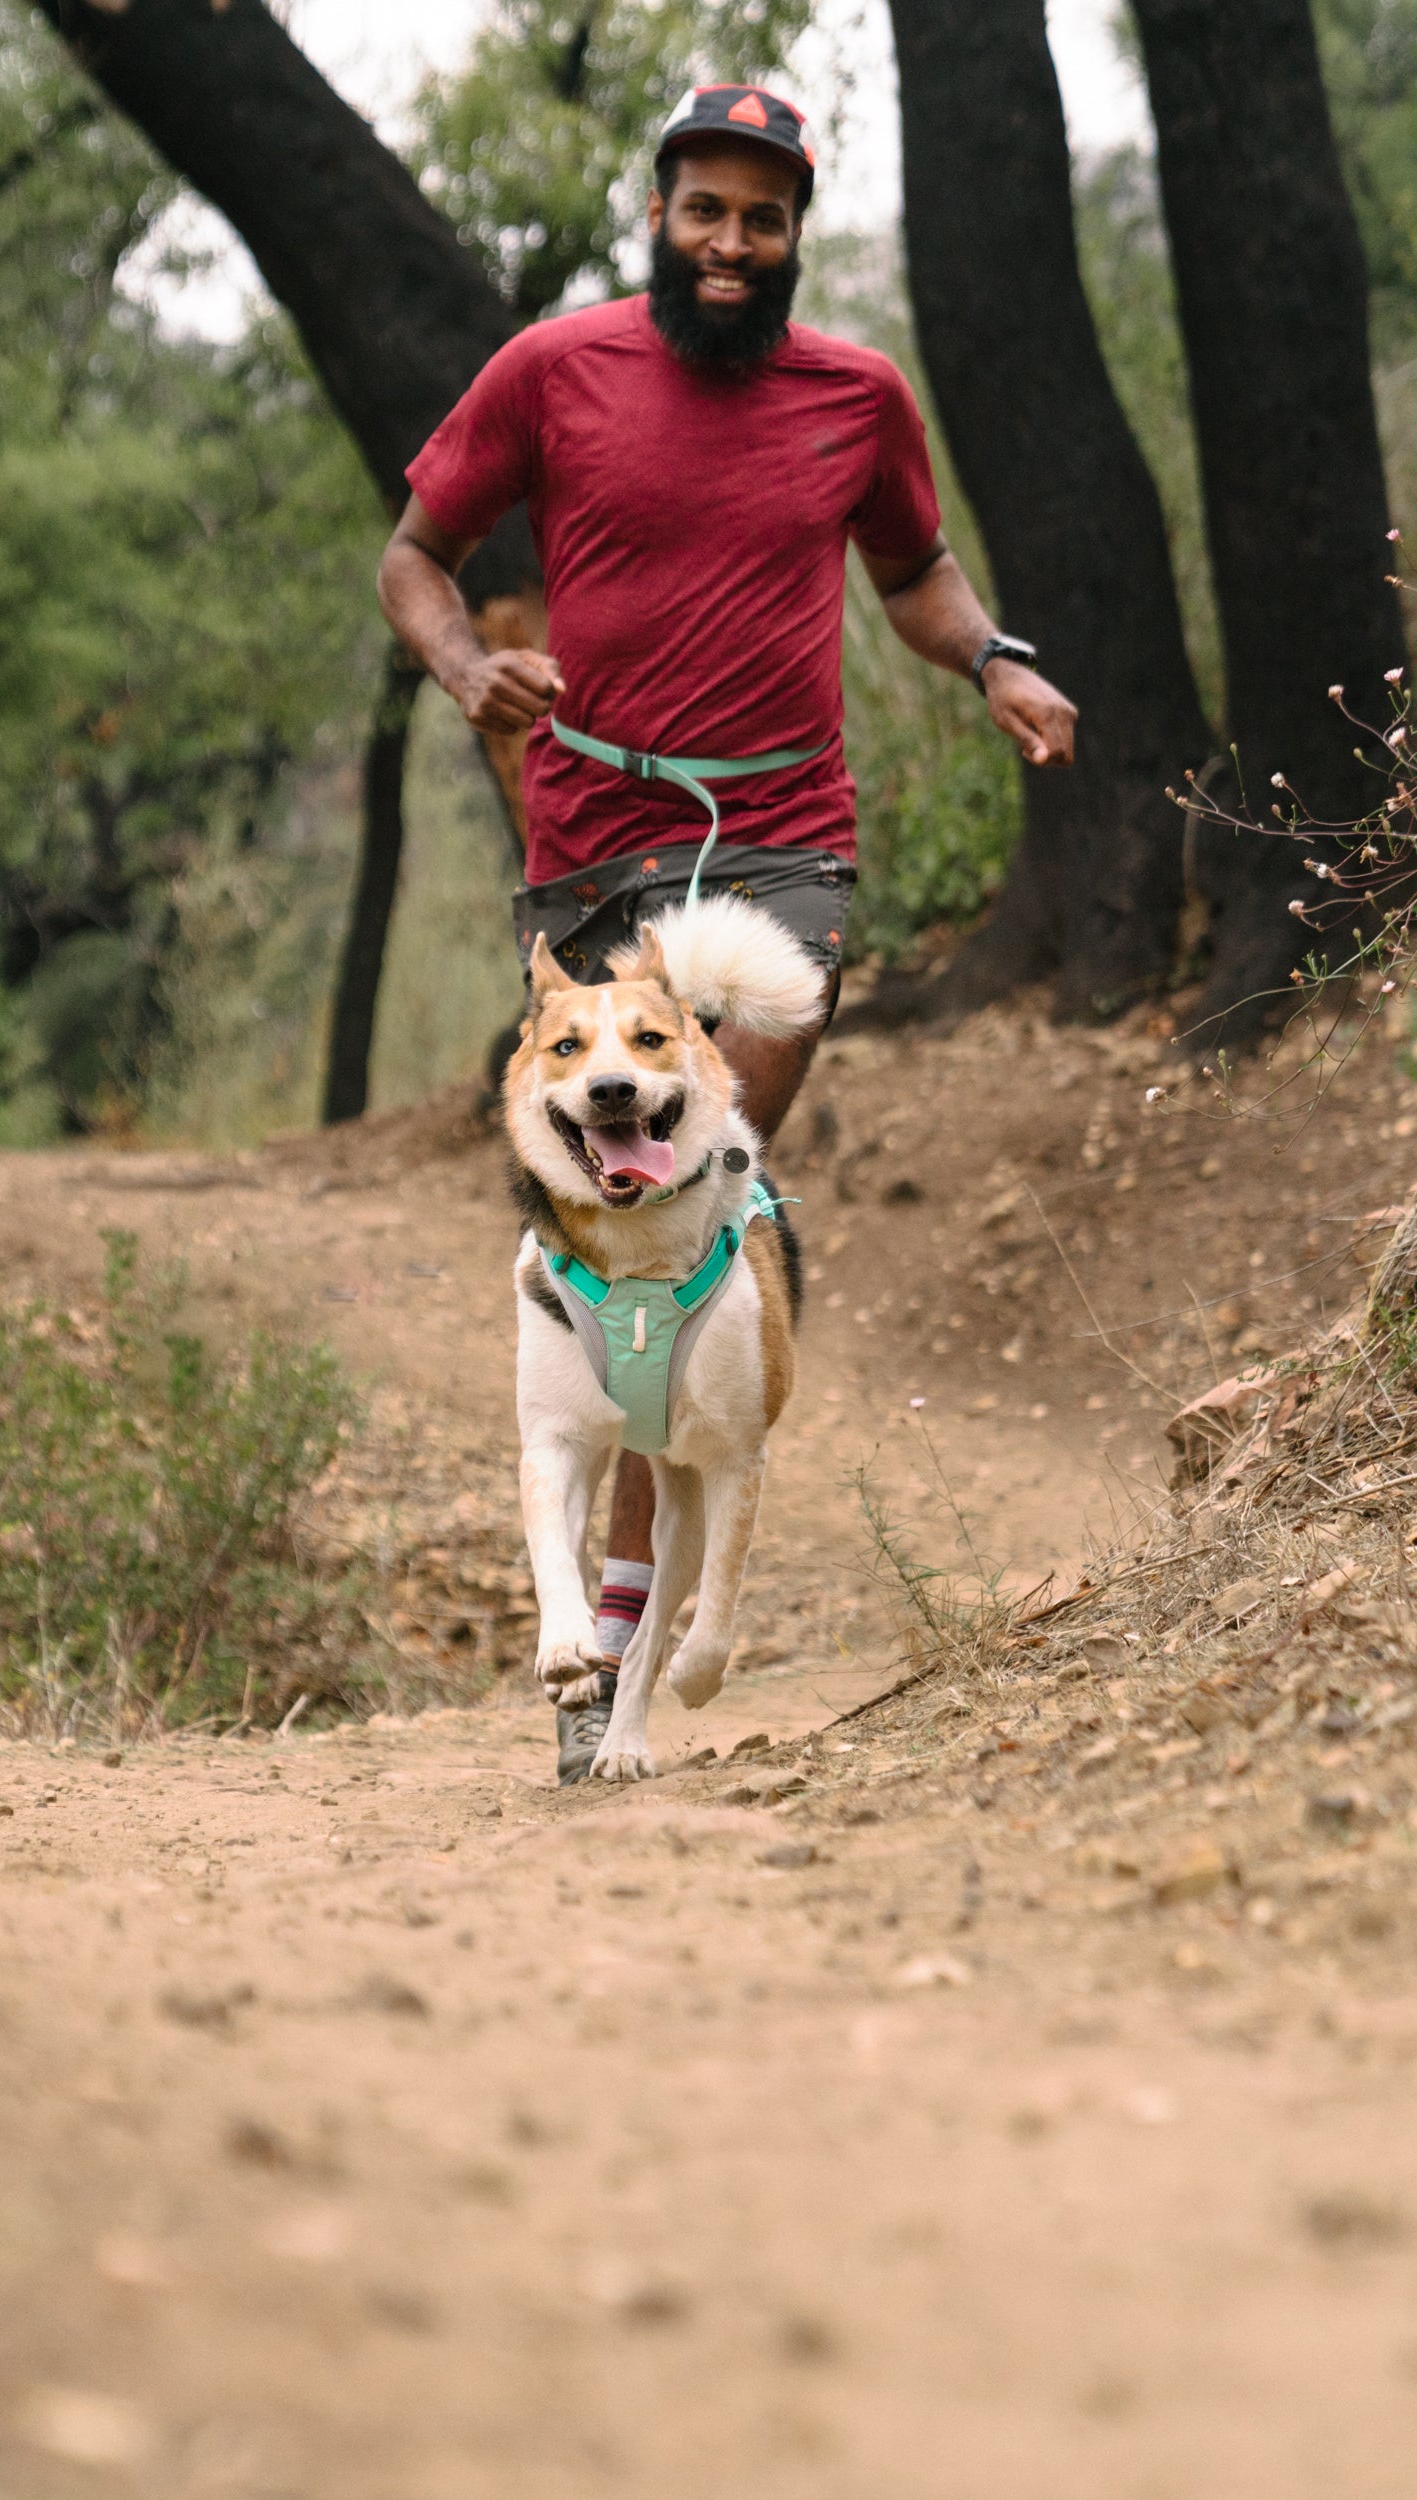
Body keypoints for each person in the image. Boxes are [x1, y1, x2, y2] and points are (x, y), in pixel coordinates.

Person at [377, 82, 1079, 1782]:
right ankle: (640, 1493)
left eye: (763, 222)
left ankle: (613, 1631)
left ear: (791, 241)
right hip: (595, 837)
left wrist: (991, 658)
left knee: (688, 1165)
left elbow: (914, 574)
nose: (731, 245)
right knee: (614, 1211)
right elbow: (415, 551)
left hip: (780, 842)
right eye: (707, 211)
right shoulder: (553, 372)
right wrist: (472, 667)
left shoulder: (857, 397)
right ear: (661, 213)